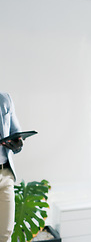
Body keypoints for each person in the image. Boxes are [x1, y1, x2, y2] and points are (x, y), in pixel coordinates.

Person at [0, 93, 23, 242]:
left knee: (6, 234)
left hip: (5, 173)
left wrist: (17, 144)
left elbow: (16, 134)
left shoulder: (5, 99)